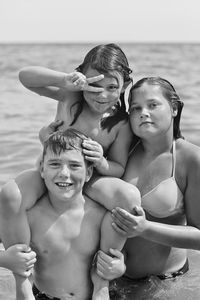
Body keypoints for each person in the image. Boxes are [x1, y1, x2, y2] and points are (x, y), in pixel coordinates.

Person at [0, 44, 140, 298]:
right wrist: (65, 80)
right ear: (83, 80)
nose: (102, 95)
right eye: (95, 86)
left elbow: (118, 168)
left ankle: (103, 277)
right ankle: (21, 274)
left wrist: (102, 162)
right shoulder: (69, 97)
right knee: (11, 194)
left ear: (125, 85)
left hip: (91, 177)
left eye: (112, 87)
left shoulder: (119, 123)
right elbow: (25, 77)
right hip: (52, 173)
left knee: (128, 197)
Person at [95, 77, 200, 299]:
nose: (143, 112)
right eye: (135, 108)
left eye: (152, 105)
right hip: (112, 279)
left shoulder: (189, 158)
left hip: (163, 284)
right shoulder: (121, 151)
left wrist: (145, 229)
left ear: (173, 108)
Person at [17, 128, 110, 300]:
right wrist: (5, 260)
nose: (64, 173)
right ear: (42, 170)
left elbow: (121, 254)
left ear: (88, 173)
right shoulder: (31, 216)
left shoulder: (100, 215)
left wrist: (120, 267)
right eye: (54, 164)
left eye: (74, 165)